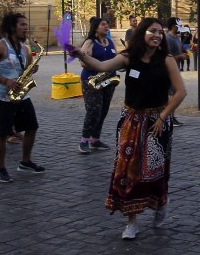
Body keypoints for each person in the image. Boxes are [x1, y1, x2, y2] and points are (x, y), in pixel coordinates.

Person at [71, 17, 187, 240]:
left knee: (155, 169)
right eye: (152, 31)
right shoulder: (128, 58)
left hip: (157, 122)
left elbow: (181, 92)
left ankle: (161, 203)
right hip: (131, 120)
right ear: (142, 33)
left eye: (160, 32)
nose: (157, 35)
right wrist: (81, 54)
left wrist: (163, 117)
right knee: (128, 170)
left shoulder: (167, 60)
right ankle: (131, 222)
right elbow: (101, 67)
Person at [0, 13, 45, 181]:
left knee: (32, 127)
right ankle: (0, 168)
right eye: (22, 24)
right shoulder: (0, 46)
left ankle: (25, 161)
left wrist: (31, 70)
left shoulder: (24, 48)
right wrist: (5, 80)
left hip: (22, 95)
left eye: (26, 24)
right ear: (11, 27)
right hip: (3, 97)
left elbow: (23, 70)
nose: (25, 27)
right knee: (2, 134)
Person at [77, 16, 118, 154]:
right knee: (93, 110)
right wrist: (97, 66)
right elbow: (83, 61)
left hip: (109, 80)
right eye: (103, 24)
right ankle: (84, 141)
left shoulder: (110, 42)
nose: (106, 27)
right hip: (91, 80)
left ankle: (95, 139)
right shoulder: (90, 42)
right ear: (96, 27)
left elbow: (117, 59)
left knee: (103, 110)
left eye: (107, 24)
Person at [163, 18, 188, 126]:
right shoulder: (168, 39)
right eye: (178, 25)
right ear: (173, 26)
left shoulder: (177, 38)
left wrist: (185, 51)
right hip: (169, 70)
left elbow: (179, 49)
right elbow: (166, 56)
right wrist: (180, 56)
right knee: (172, 94)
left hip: (176, 69)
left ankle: (170, 116)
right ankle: (168, 117)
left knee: (174, 94)